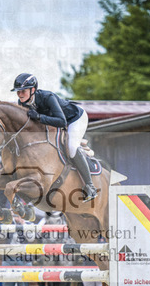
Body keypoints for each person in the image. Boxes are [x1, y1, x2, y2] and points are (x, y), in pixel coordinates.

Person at [11, 73, 97, 202]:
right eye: (18, 92)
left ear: (33, 90)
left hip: (74, 119)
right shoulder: (22, 103)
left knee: (72, 147)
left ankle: (90, 186)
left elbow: (62, 121)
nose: (20, 94)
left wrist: (39, 117)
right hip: (53, 125)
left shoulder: (47, 97)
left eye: (23, 91)